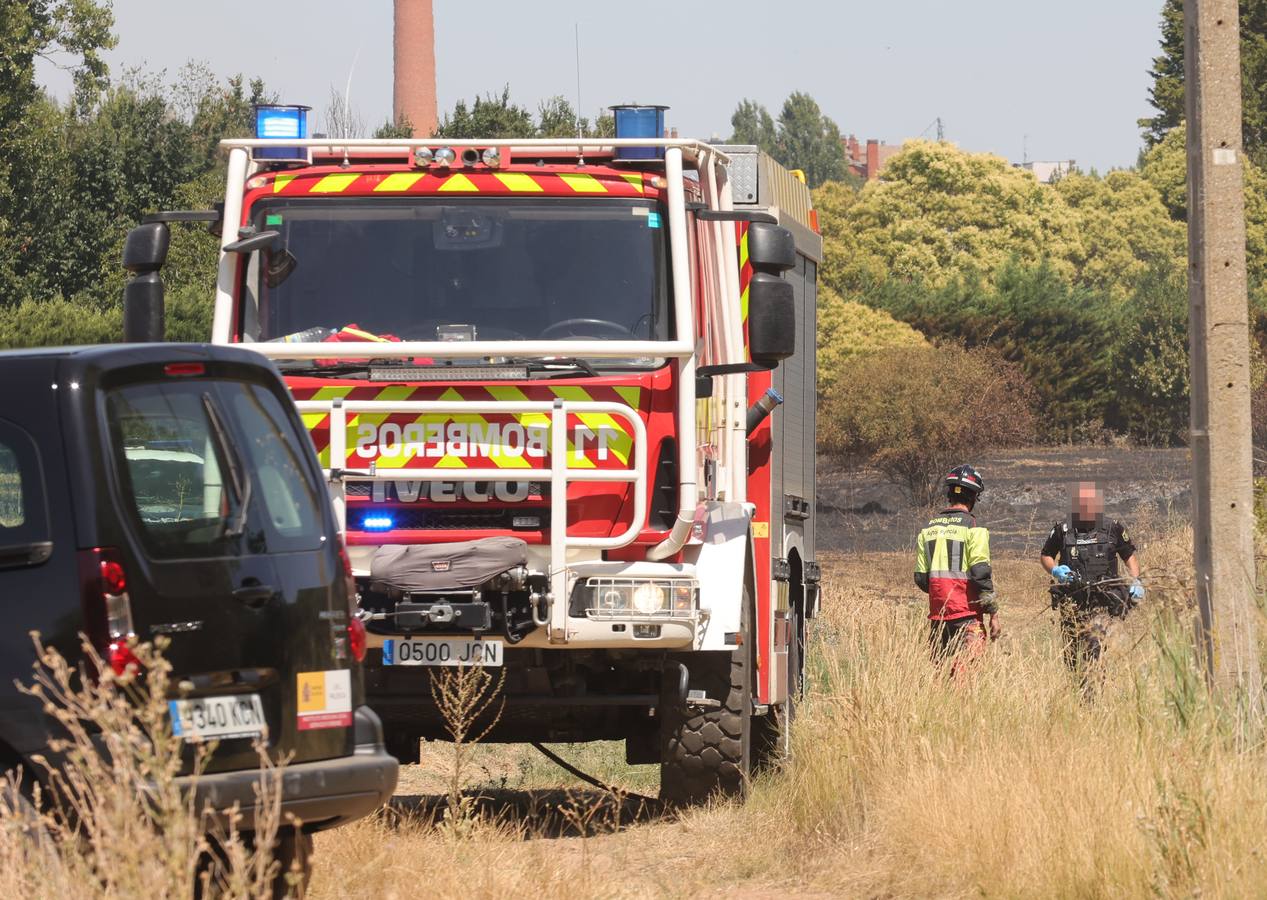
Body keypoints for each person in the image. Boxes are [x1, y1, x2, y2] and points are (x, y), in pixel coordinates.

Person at [1041, 481, 1143, 687]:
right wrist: (1055, 570)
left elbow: (1129, 555)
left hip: (1102, 603)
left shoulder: (1113, 528)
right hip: (1072, 604)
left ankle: (1092, 697)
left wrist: (1136, 580)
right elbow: (1046, 555)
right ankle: (1081, 693)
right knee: (1072, 657)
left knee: (1094, 650)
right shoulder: (1063, 530)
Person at [914, 465, 1000, 672]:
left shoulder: (928, 530)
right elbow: (981, 575)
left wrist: (941, 591)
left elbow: (920, 578)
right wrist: (994, 613)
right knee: (965, 677)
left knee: (940, 674)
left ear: (949, 493)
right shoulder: (974, 529)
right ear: (974, 498)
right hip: (967, 615)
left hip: (938, 616)